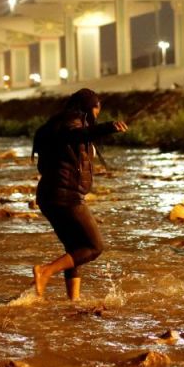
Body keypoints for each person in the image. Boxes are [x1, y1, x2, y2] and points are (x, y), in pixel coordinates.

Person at [30, 89, 127, 301]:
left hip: (50, 195)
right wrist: (106, 128)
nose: (96, 116)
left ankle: (73, 301)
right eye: (95, 111)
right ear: (87, 109)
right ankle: (45, 271)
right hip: (66, 196)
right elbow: (75, 135)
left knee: (74, 250)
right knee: (94, 247)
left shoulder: (57, 123)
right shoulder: (71, 124)